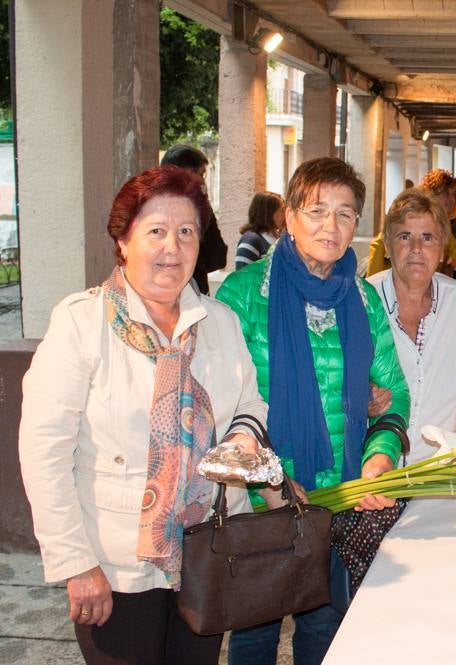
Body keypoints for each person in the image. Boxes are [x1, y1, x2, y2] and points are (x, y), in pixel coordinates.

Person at [19, 166, 267, 664]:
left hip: (206, 554)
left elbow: (249, 404)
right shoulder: (82, 324)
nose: (171, 248)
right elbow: (44, 451)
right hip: (115, 568)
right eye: (155, 231)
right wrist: (77, 565)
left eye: (186, 232)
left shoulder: (219, 323)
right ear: (124, 240)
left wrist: (242, 438)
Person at [216, 157, 410, 665]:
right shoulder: (242, 296)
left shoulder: (364, 300)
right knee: (255, 633)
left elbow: (396, 396)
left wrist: (379, 460)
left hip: (335, 500)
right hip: (262, 503)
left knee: (324, 629)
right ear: (289, 216)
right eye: (317, 210)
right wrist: (271, 481)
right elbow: (220, 406)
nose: (331, 225)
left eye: (345, 214)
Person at [368, 189, 456, 461]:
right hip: (374, 473)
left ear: (442, 250)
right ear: (389, 247)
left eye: (428, 238)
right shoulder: (365, 299)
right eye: (405, 236)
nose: (416, 248)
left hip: (440, 474)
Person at [160, 145, 227, 294]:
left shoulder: (200, 210)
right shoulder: (154, 211)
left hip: (195, 295)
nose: (203, 182)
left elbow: (218, 257)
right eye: (201, 174)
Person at [235, 191, 284, 270]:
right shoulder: (251, 239)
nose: (284, 214)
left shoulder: (280, 238)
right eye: (281, 210)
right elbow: (242, 274)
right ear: (269, 213)